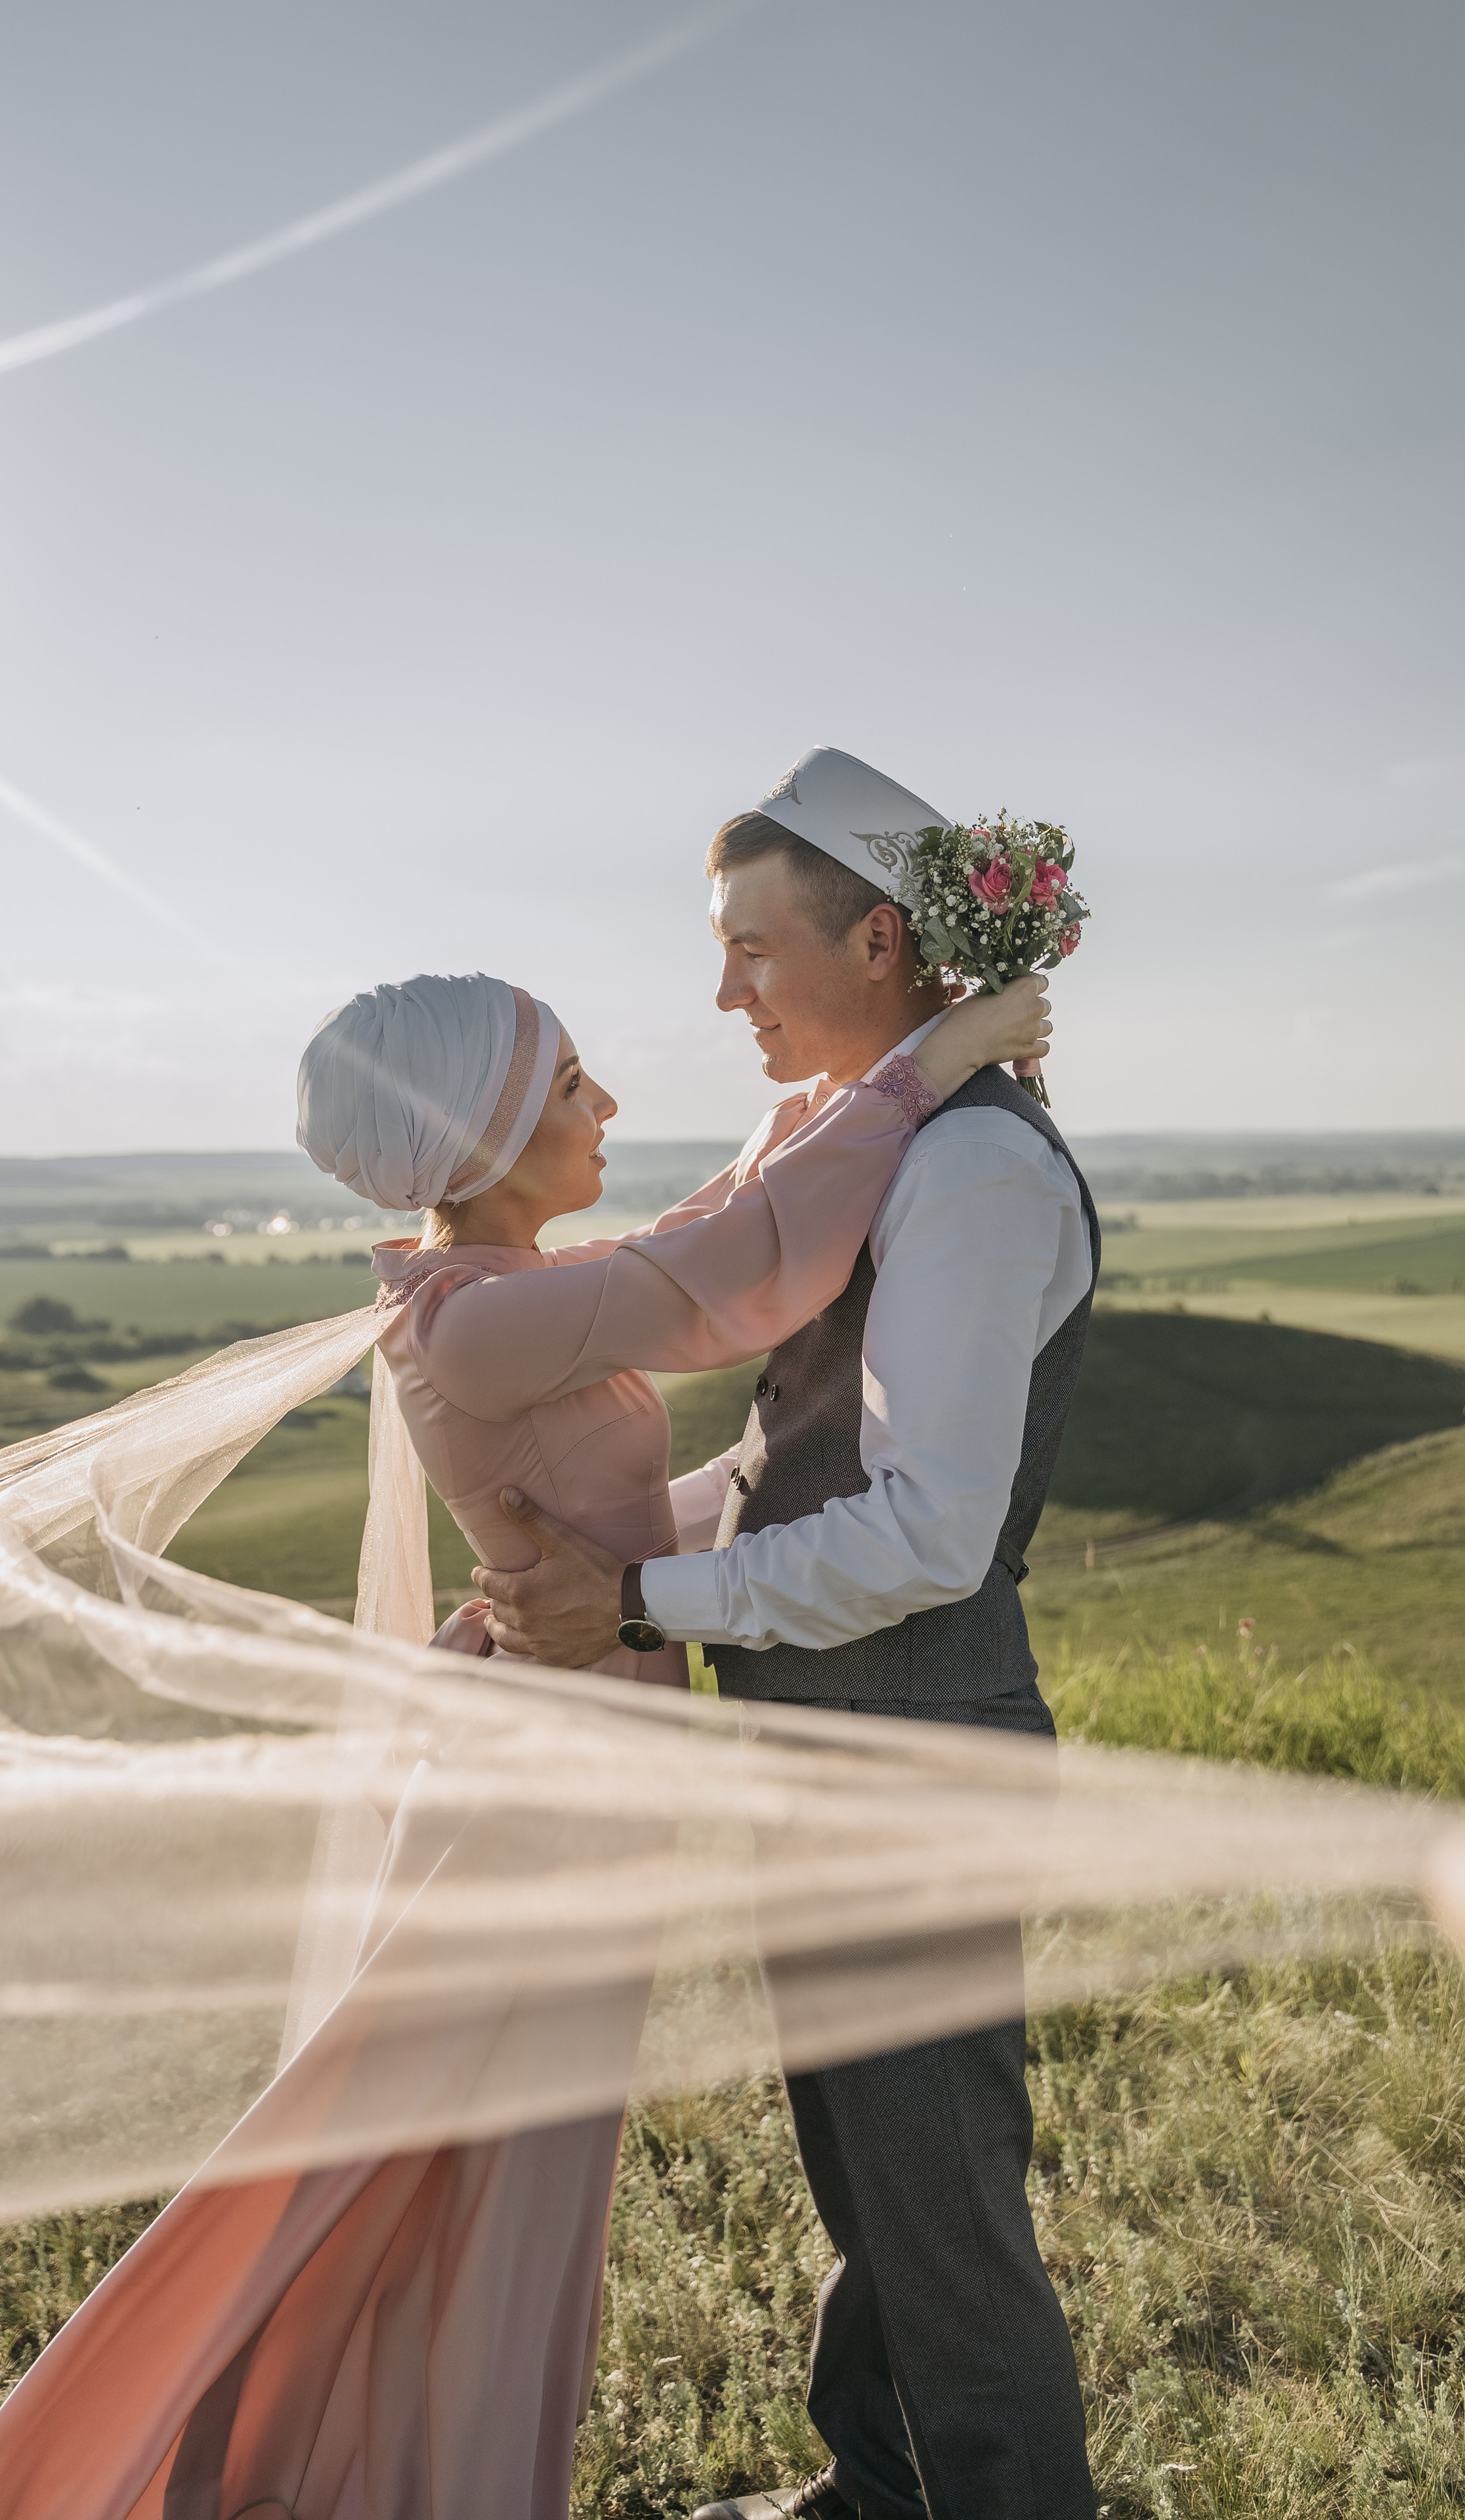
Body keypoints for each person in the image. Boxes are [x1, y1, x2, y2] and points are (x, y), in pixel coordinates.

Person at [0, 959, 1047, 2520]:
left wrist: (820, 1105)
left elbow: (698, 1234)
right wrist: (921, 1071)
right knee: (456, 2165)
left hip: (577, 1743)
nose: (608, 1102)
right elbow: (726, 1266)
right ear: (485, 1132)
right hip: (548, 1780)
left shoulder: (496, 1293)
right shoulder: (480, 1327)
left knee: (495, 2164)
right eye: (573, 1083)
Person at [472, 746, 1101, 2520]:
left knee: (943, 2212)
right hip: (839, 1739)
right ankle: (875, 2491)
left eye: (752, 948)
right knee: (869, 2172)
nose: (724, 992)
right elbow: (783, 1467)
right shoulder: (868, 1149)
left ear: (880, 941)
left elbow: (928, 1535)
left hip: (918, 1749)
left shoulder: (970, 1174)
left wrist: (639, 1602)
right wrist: (585, 1565)